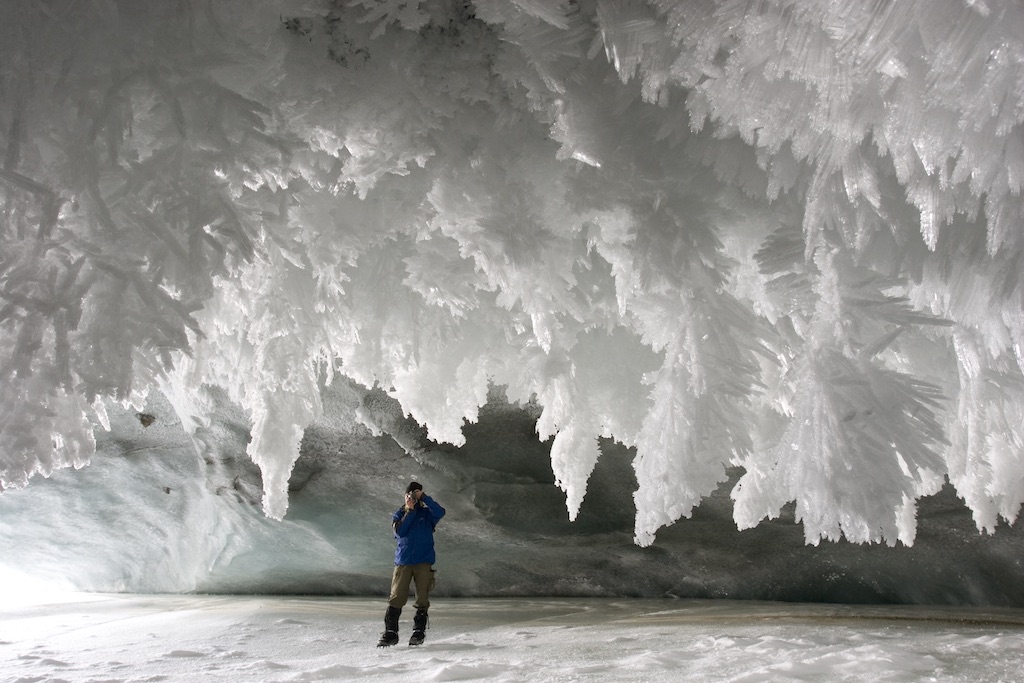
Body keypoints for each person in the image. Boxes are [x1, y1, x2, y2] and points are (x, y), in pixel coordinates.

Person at [377, 481, 445, 647]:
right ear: (405, 496)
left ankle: (418, 631)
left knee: (422, 597)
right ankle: (390, 633)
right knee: (396, 596)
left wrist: (425, 498)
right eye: (410, 495)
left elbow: (440, 512)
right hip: (404, 562)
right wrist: (410, 511)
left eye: (415, 495)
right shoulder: (399, 514)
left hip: (423, 561)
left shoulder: (427, 514)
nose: (412, 498)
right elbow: (400, 531)